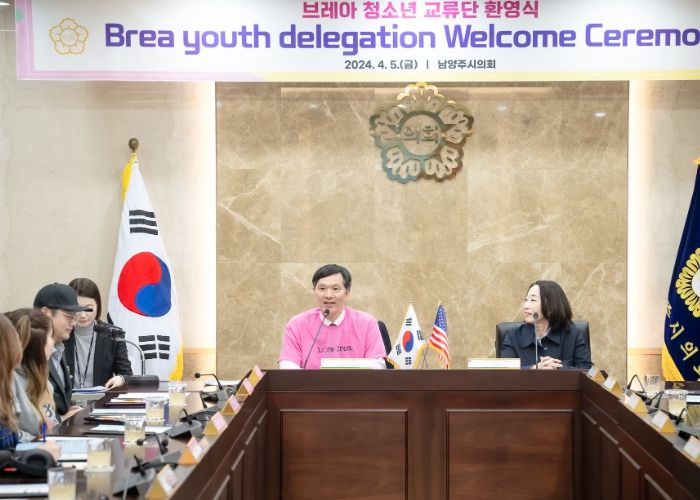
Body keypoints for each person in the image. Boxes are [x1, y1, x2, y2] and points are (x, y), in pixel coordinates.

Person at [279, 264, 386, 370]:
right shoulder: (297, 325)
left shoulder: (367, 323)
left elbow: (377, 365)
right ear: (314, 291)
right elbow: (287, 366)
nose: (328, 295)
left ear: (347, 292)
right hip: (311, 382)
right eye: (322, 288)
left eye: (335, 289)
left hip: (356, 381)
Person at [500, 280, 592, 370]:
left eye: (533, 300)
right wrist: (533, 368)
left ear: (551, 306)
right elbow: (503, 371)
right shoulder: (513, 336)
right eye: (526, 299)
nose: (525, 306)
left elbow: (590, 372)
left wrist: (559, 368)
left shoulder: (573, 333)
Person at [33, 283, 89, 417]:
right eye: (69, 316)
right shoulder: (30, 353)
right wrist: (61, 420)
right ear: (46, 313)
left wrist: (68, 411)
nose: (74, 323)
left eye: (75, 317)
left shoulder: (59, 347)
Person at [67, 278, 132, 389]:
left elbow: (126, 374)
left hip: (101, 398)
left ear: (98, 306)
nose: (83, 315)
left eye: (88, 309)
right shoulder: (60, 332)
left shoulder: (113, 334)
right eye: (77, 309)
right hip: (67, 400)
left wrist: (121, 378)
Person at [6, 309, 61, 439]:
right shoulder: (8, 381)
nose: (53, 344)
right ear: (39, 347)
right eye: (51, 337)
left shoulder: (42, 379)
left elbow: (49, 427)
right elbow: (7, 435)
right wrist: (38, 443)